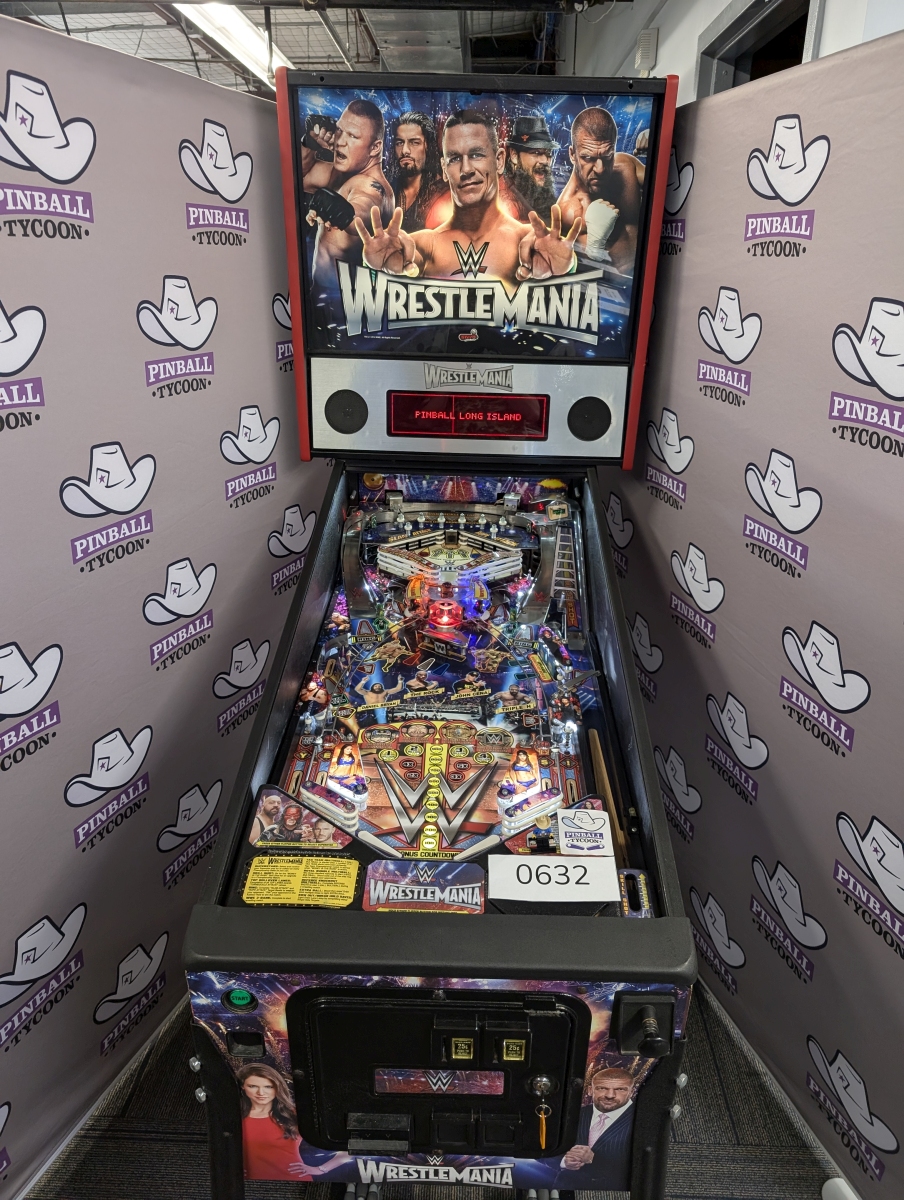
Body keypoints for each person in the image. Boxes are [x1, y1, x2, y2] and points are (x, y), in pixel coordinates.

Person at [354, 109, 581, 293]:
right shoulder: (423, 246)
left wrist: (566, 267)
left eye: (476, 155)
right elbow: (383, 289)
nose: (466, 170)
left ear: (499, 160)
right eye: (454, 158)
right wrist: (376, 266)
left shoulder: (529, 242)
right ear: (444, 169)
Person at [300, 100, 394, 287]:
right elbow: (299, 178)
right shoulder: (339, 173)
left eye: (352, 136)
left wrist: (337, 210)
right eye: (339, 130)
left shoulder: (372, 186)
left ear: (375, 147)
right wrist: (309, 143)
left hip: (345, 301)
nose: (340, 142)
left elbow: (363, 211)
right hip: (318, 295)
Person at [556, 107, 644, 275]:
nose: (600, 169)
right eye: (588, 158)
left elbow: (667, 187)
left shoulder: (626, 165)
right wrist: (594, 246)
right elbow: (588, 270)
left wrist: (657, 150)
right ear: (572, 154)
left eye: (607, 157)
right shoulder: (569, 210)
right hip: (626, 286)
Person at [555, 1067, 637, 1190]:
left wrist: (594, 1159)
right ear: (590, 1090)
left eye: (620, 1089)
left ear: (631, 1092)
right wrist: (564, 1161)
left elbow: (647, 1165)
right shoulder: (571, 1115)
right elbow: (543, 1150)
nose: (610, 1095)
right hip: (564, 1190)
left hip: (613, 1194)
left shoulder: (643, 1120)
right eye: (602, 1088)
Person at [237, 1063, 311, 1181]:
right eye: (253, 1086)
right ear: (242, 1087)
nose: (261, 1093)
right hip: (249, 1183)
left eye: (268, 1087)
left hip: (295, 1182)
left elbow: (338, 1140)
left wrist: (322, 1168)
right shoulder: (233, 1115)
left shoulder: (293, 1114)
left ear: (277, 1088)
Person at [387, 111, 448, 231]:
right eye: (400, 143)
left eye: (414, 142)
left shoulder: (442, 193)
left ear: (428, 146)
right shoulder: (388, 188)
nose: (405, 150)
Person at [503, 116, 558, 223]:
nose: (545, 161)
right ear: (514, 155)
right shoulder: (503, 204)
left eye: (548, 153)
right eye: (536, 153)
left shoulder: (548, 200)